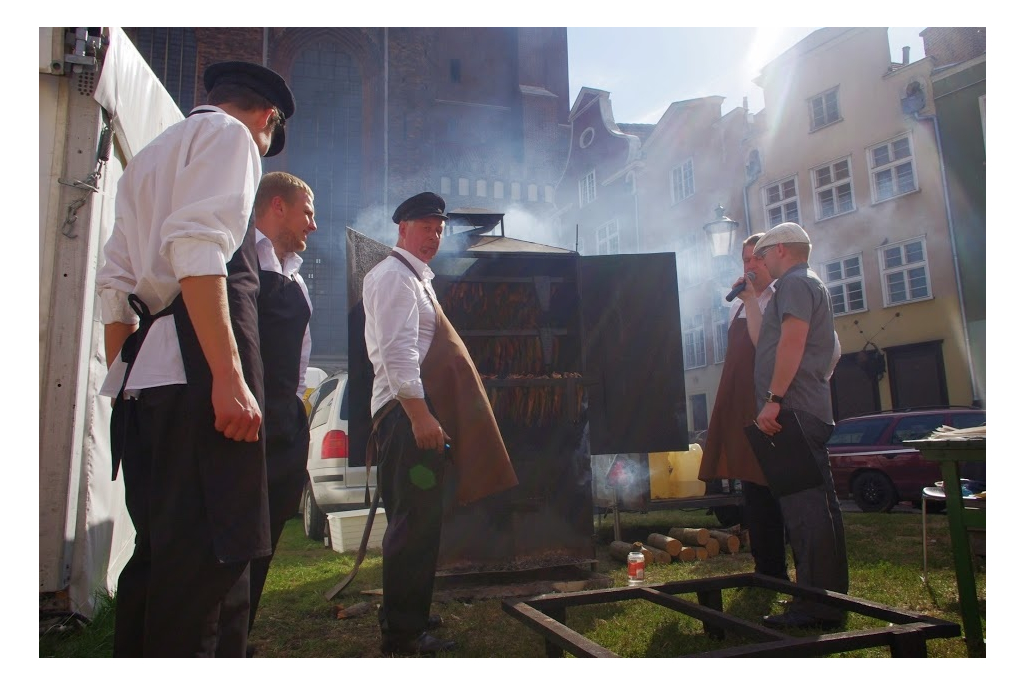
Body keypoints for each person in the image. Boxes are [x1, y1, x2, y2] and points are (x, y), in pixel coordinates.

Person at [96, 61, 295, 657]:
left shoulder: (151, 157)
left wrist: (132, 376)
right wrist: (228, 379)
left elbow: (116, 285)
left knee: (155, 559)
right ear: (267, 117)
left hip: (146, 389)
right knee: (209, 562)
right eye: (271, 135)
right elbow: (198, 248)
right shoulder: (231, 137)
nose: (264, 146)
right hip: (197, 388)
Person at [362, 191, 517, 656]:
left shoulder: (413, 278)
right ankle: (404, 637)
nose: (434, 235)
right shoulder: (394, 277)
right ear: (402, 228)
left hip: (406, 417)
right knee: (414, 525)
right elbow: (397, 352)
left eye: (439, 227)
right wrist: (420, 415)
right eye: (426, 226)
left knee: (418, 522)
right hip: (405, 418)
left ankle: (407, 612)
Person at [751, 222, 849, 630]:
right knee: (820, 510)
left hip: (792, 412)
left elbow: (792, 341)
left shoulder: (793, 285)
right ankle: (830, 599)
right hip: (807, 408)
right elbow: (834, 351)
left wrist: (774, 400)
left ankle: (814, 607)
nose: (758, 262)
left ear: (781, 251)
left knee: (805, 512)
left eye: (762, 254)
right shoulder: (811, 284)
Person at [245, 172, 317, 649]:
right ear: (277, 207)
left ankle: (239, 633)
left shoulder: (295, 276)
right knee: (237, 537)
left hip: (286, 421)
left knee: (266, 540)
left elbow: (302, 352)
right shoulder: (239, 260)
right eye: (307, 212)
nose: (313, 224)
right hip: (248, 418)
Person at [699, 233, 788, 581]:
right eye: (745, 260)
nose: (750, 266)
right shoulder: (738, 303)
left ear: (772, 261)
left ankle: (783, 571)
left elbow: (765, 348)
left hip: (770, 406)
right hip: (743, 406)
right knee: (753, 491)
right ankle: (765, 569)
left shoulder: (780, 299)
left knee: (776, 490)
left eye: (756, 259)